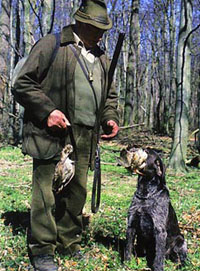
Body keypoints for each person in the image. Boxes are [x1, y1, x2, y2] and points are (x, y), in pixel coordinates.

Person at [13, 0, 119, 270]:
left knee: (77, 193)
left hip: (86, 135)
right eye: (96, 27)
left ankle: (68, 242)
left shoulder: (103, 57)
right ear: (81, 23)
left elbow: (109, 96)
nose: (101, 34)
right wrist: (48, 110)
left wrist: (109, 117)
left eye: (103, 29)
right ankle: (43, 249)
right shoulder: (52, 45)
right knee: (45, 193)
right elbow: (22, 83)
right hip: (51, 132)